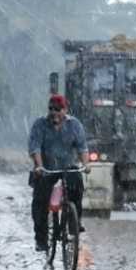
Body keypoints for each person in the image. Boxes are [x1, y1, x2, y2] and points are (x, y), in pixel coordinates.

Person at [29, 94, 89, 252]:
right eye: (51, 109)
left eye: (58, 109)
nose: (54, 113)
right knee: (40, 202)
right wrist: (39, 166)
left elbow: (82, 147)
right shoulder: (40, 125)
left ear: (65, 110)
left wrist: (86, 164)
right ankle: (41, 239)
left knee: (77, 186)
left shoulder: (74, 125)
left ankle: (74, 222)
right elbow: (35, 148)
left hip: (68, 167)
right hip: (46, 169)